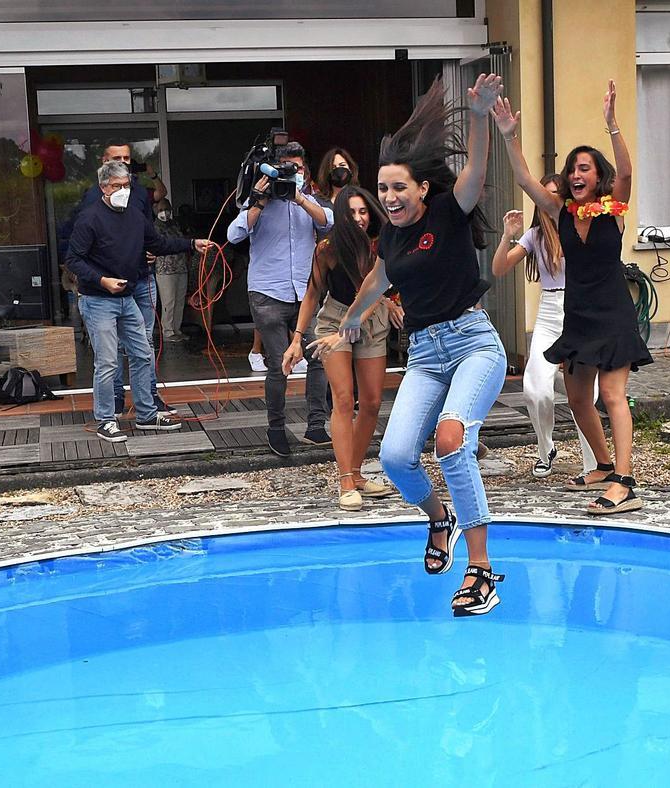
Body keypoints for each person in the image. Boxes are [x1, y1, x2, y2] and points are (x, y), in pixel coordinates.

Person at [311, 75, 508, 616]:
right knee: (397, 459)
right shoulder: (392, 235)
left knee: (450, 440)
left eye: (400, 188)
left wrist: (479, 115)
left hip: (473, 345)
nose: (390, 197)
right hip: (425, 355)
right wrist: (346, 324)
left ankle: (482, 570)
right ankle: (438, 516)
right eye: (384, 189)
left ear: (422, 188)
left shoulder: (449, 211)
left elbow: (476, 172)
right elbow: (377, 279)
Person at [491, 80, 652, 515]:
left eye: (584, 168)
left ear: (598, 176)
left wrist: (612, 125)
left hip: (613, 314)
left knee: (612, 396)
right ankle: (601, 463)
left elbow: (628, 174)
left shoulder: (613, 213)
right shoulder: (559, 212)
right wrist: (509, 134)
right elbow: (525, 177)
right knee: (578, 396)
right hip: (576, 316)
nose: (576, 175)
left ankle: (625, 480)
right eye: (571, 170)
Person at [66, 161, 210, 442]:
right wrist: (101, 280)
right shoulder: (90, 218)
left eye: (127, 186)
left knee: (143, 354)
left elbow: (157, 244)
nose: (123, 191)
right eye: (117, 186)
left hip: (128, 296)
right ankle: (106, 419)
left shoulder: (134, 216)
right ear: (103, 188)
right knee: (108, 361)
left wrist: (191, 244)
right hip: (98, 300)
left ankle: (145, 414)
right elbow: (73, 260)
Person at [283, 185, 404, 510]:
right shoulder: (327, 249)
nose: (359, 218)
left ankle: (357, 473)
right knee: (343, 399)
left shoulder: (380, 245)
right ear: (340, 216)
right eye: (352, 212)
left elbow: (376, 291)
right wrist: (296, 338)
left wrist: (378, 310)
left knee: (372, 402)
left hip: (371, 314)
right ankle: (346, 480)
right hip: (335, 316)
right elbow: (312, 293)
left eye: (363, 211)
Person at [227, 141, 334, 457]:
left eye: (297, 169)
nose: (293, 173)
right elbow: (234, 235)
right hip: (267, 293)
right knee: (278, 365)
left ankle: (316, 426)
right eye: (286, 168)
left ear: (305, 171)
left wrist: (298, 196)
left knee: (317, 358)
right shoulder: (257, 201)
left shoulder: (309, 200)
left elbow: (328, 221)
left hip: (305, 293)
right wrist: (259, 201)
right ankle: (276, 428)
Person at [491, 174, 598, 480]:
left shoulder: (581, 227)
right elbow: (499, 269)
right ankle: (546, 449)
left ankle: (594, 464)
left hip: (579, 311)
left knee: (586, 395)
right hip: (549, 313)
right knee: (536, 390)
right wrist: (507, 235)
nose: (549, 200)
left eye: (555, 194)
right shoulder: (535, 235)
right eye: (544, 194)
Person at [152, 198, 190, 342]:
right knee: (169, 301)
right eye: (161, 210)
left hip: (180, 267)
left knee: (180, 301)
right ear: (155, 210)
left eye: (167, 209)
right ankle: (168, 331)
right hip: (165, 270)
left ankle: (177, 329)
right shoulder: (154, 227)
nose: (165, 213)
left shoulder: (175, 224)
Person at [313, 147, 360, 212]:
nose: (339, 170)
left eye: (342, 165)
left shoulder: (360, 198)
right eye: (333, 167)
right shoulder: (316, 201)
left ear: (350, 169)